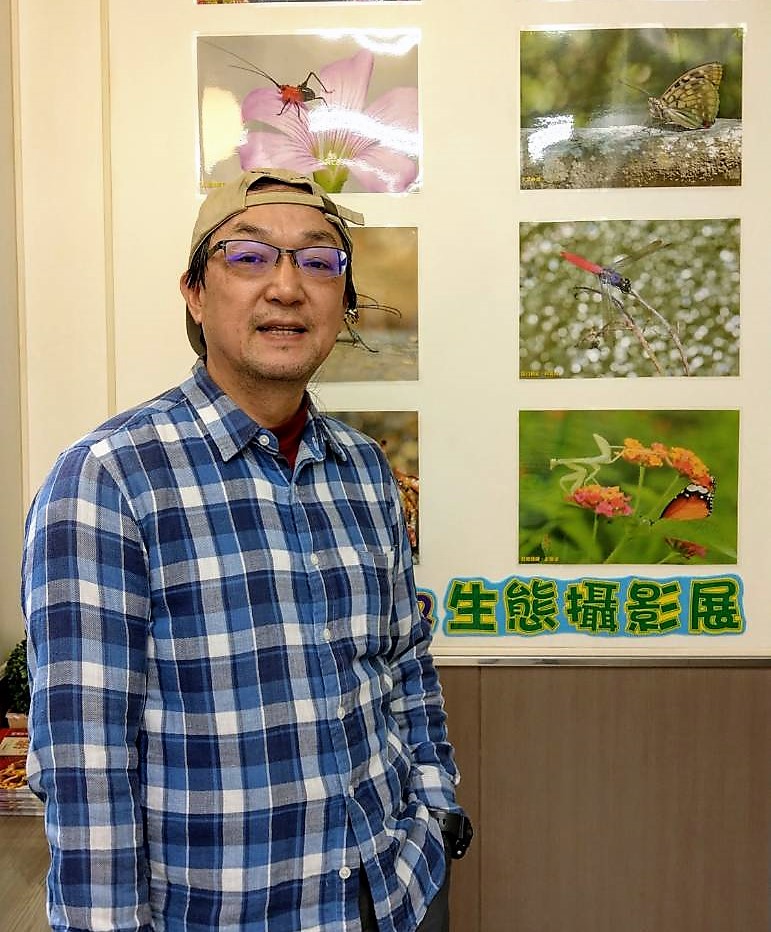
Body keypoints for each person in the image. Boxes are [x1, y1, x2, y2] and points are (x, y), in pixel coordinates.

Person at [22, 168, 471, 932]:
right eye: (249, 256)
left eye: (319, 260)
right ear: (195, 294)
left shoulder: (364, 469)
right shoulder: (109, 479)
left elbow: (404, 663)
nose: (287, 287)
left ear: (343, 299)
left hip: (392, 893)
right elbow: (85, 766)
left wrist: (433, 810)